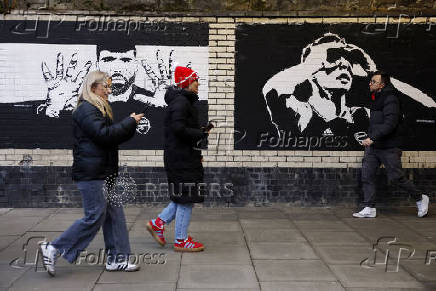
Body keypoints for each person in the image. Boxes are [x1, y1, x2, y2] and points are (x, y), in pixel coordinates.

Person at [38, 71, 145, 276]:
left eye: (109, 86)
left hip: (103, 171)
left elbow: (111, 137)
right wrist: (129, 122)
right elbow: (103, 136)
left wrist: (130, 124)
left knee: (115, 216)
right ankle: (53, 248)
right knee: (95, 215)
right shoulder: (86, 110)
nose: (109, 90)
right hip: (92, 173)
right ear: (93, 86)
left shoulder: (97, 109)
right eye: (105, 86)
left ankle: (118, 259)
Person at [146, 66, 208, 252]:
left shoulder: (182, 102)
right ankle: (181, 240)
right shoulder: (181, 103)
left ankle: (158, 223)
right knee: (186, 198)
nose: (198, 84)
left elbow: (181, 131)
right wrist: (201, 133)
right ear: (187, 82)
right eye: (195, 80)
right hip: (181, 158)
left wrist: (198, 148)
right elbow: (179, 130)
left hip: (183, 156)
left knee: (183, 195)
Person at [353, 71, 430, 218]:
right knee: (367, 176)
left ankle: (420, 198)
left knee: (396, 177)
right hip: (374, 147)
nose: (370, 83)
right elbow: (377, 122)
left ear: (382, 84)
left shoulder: (391, 99)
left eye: (374, 81)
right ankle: (369, 207)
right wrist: (370, 137)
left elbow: (391, 123)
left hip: (389, 147)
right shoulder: (376, 98)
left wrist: (372, 137)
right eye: (371, 81)